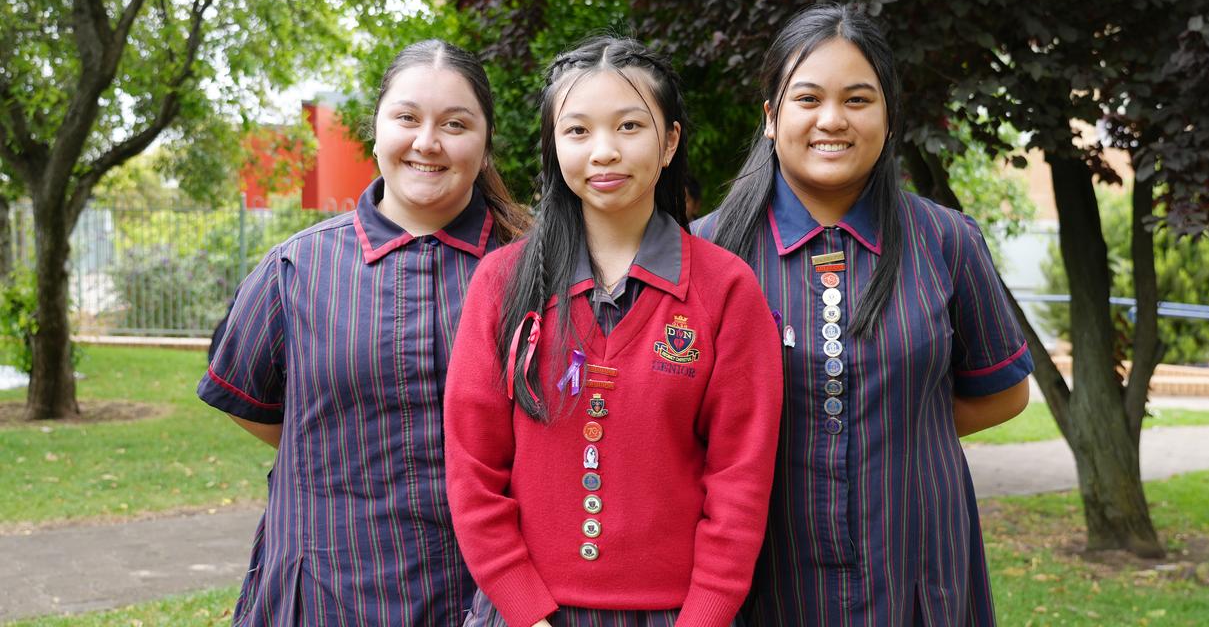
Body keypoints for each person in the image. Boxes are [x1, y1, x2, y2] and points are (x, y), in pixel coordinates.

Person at [693, 4, 1033, 626]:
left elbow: (1005, 394)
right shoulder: (705, 254)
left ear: (886, 116)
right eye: (807, 99)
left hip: (916, 565)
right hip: (761, 573)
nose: (832, 120)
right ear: (771, 118)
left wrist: (898, 428)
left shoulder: (947, 240)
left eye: (857, 99)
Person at [444, 36, 783, 627]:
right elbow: (474, 470)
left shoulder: (725, 289)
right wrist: (522, 607)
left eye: (629, 126)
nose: (603, 152)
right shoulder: (502, 283)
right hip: (523, 615)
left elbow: (739, 481)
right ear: (554, 143)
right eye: (577, 131)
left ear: (670, 141)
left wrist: (705, 616)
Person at [196, 40, 530, 626]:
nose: (427, 142)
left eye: (455, 124)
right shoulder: (294, 270)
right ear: (375, 131)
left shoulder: (535, 270)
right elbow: (249, 404)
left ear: (484, 144)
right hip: (325, 589)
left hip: (487, 596)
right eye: (406, 118)